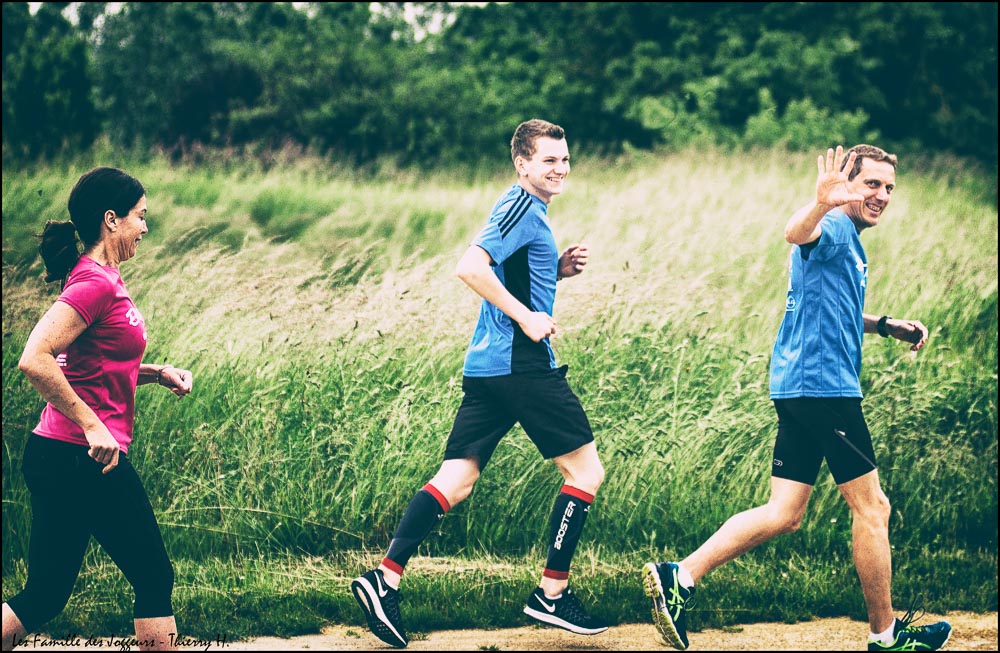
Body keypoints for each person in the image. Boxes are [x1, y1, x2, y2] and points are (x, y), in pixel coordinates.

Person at [641, 145, 953, 652]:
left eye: (889, 187)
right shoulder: (833, 226)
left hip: (799, 387)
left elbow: (832, 306)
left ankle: (681, 576)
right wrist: (822, 202)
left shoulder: (848, 239)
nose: (882, 195)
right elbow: (795, 232)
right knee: (873, 508)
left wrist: (884, 325)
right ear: (848, 185)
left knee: (785, 512)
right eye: (872, 184)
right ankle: (885, 635)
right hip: (825, 388)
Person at [351, 119, 608, 648]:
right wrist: (527, 317)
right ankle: (551, 595)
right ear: (522, 163)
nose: (560, 169)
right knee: (585, 471)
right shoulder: (520, 206)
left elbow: (508, 271)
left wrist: (554, 272)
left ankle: (384, 579)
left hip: (491, 368)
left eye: (564, 159)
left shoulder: (529, 210)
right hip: (521, 365)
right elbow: (470, 267)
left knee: (458, 478)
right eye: (548, 160)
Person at [2, 167, 194, 652]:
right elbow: (35, 358)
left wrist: (155, 372)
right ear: (111, 219)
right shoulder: (94, 283)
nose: (145, 227)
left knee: (45, 595)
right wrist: (93, 426)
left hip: (60, 454)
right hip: (83, 457)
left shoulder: (101, 277)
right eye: (140, 216)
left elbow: (94, 363)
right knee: (154, 576)